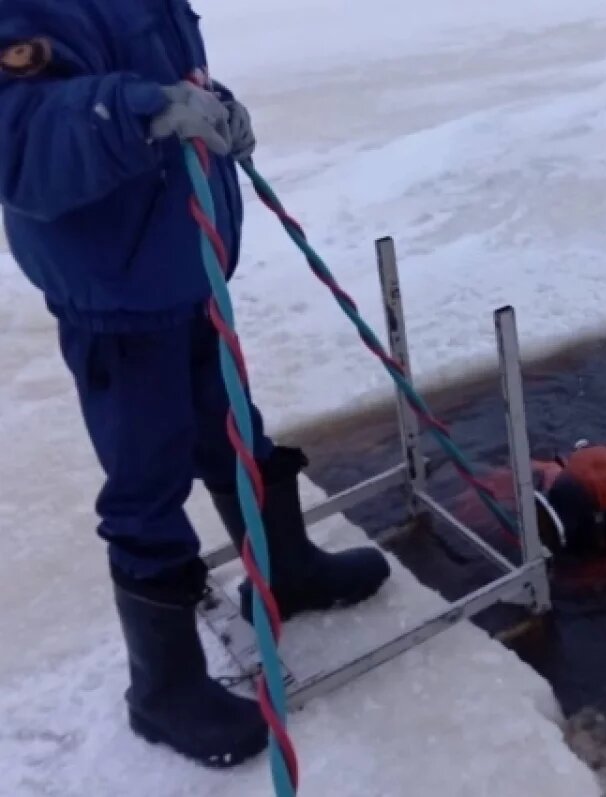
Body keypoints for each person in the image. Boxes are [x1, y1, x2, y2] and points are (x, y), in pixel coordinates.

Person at [0, 0, 390, 768]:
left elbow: (165, 65)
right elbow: (16, 143)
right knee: (148, 474)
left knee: (232, 425)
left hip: (185, 256)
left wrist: (213, 105)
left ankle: (284, 567)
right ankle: (164, 685)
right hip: (112, 288)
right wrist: (138, 113)